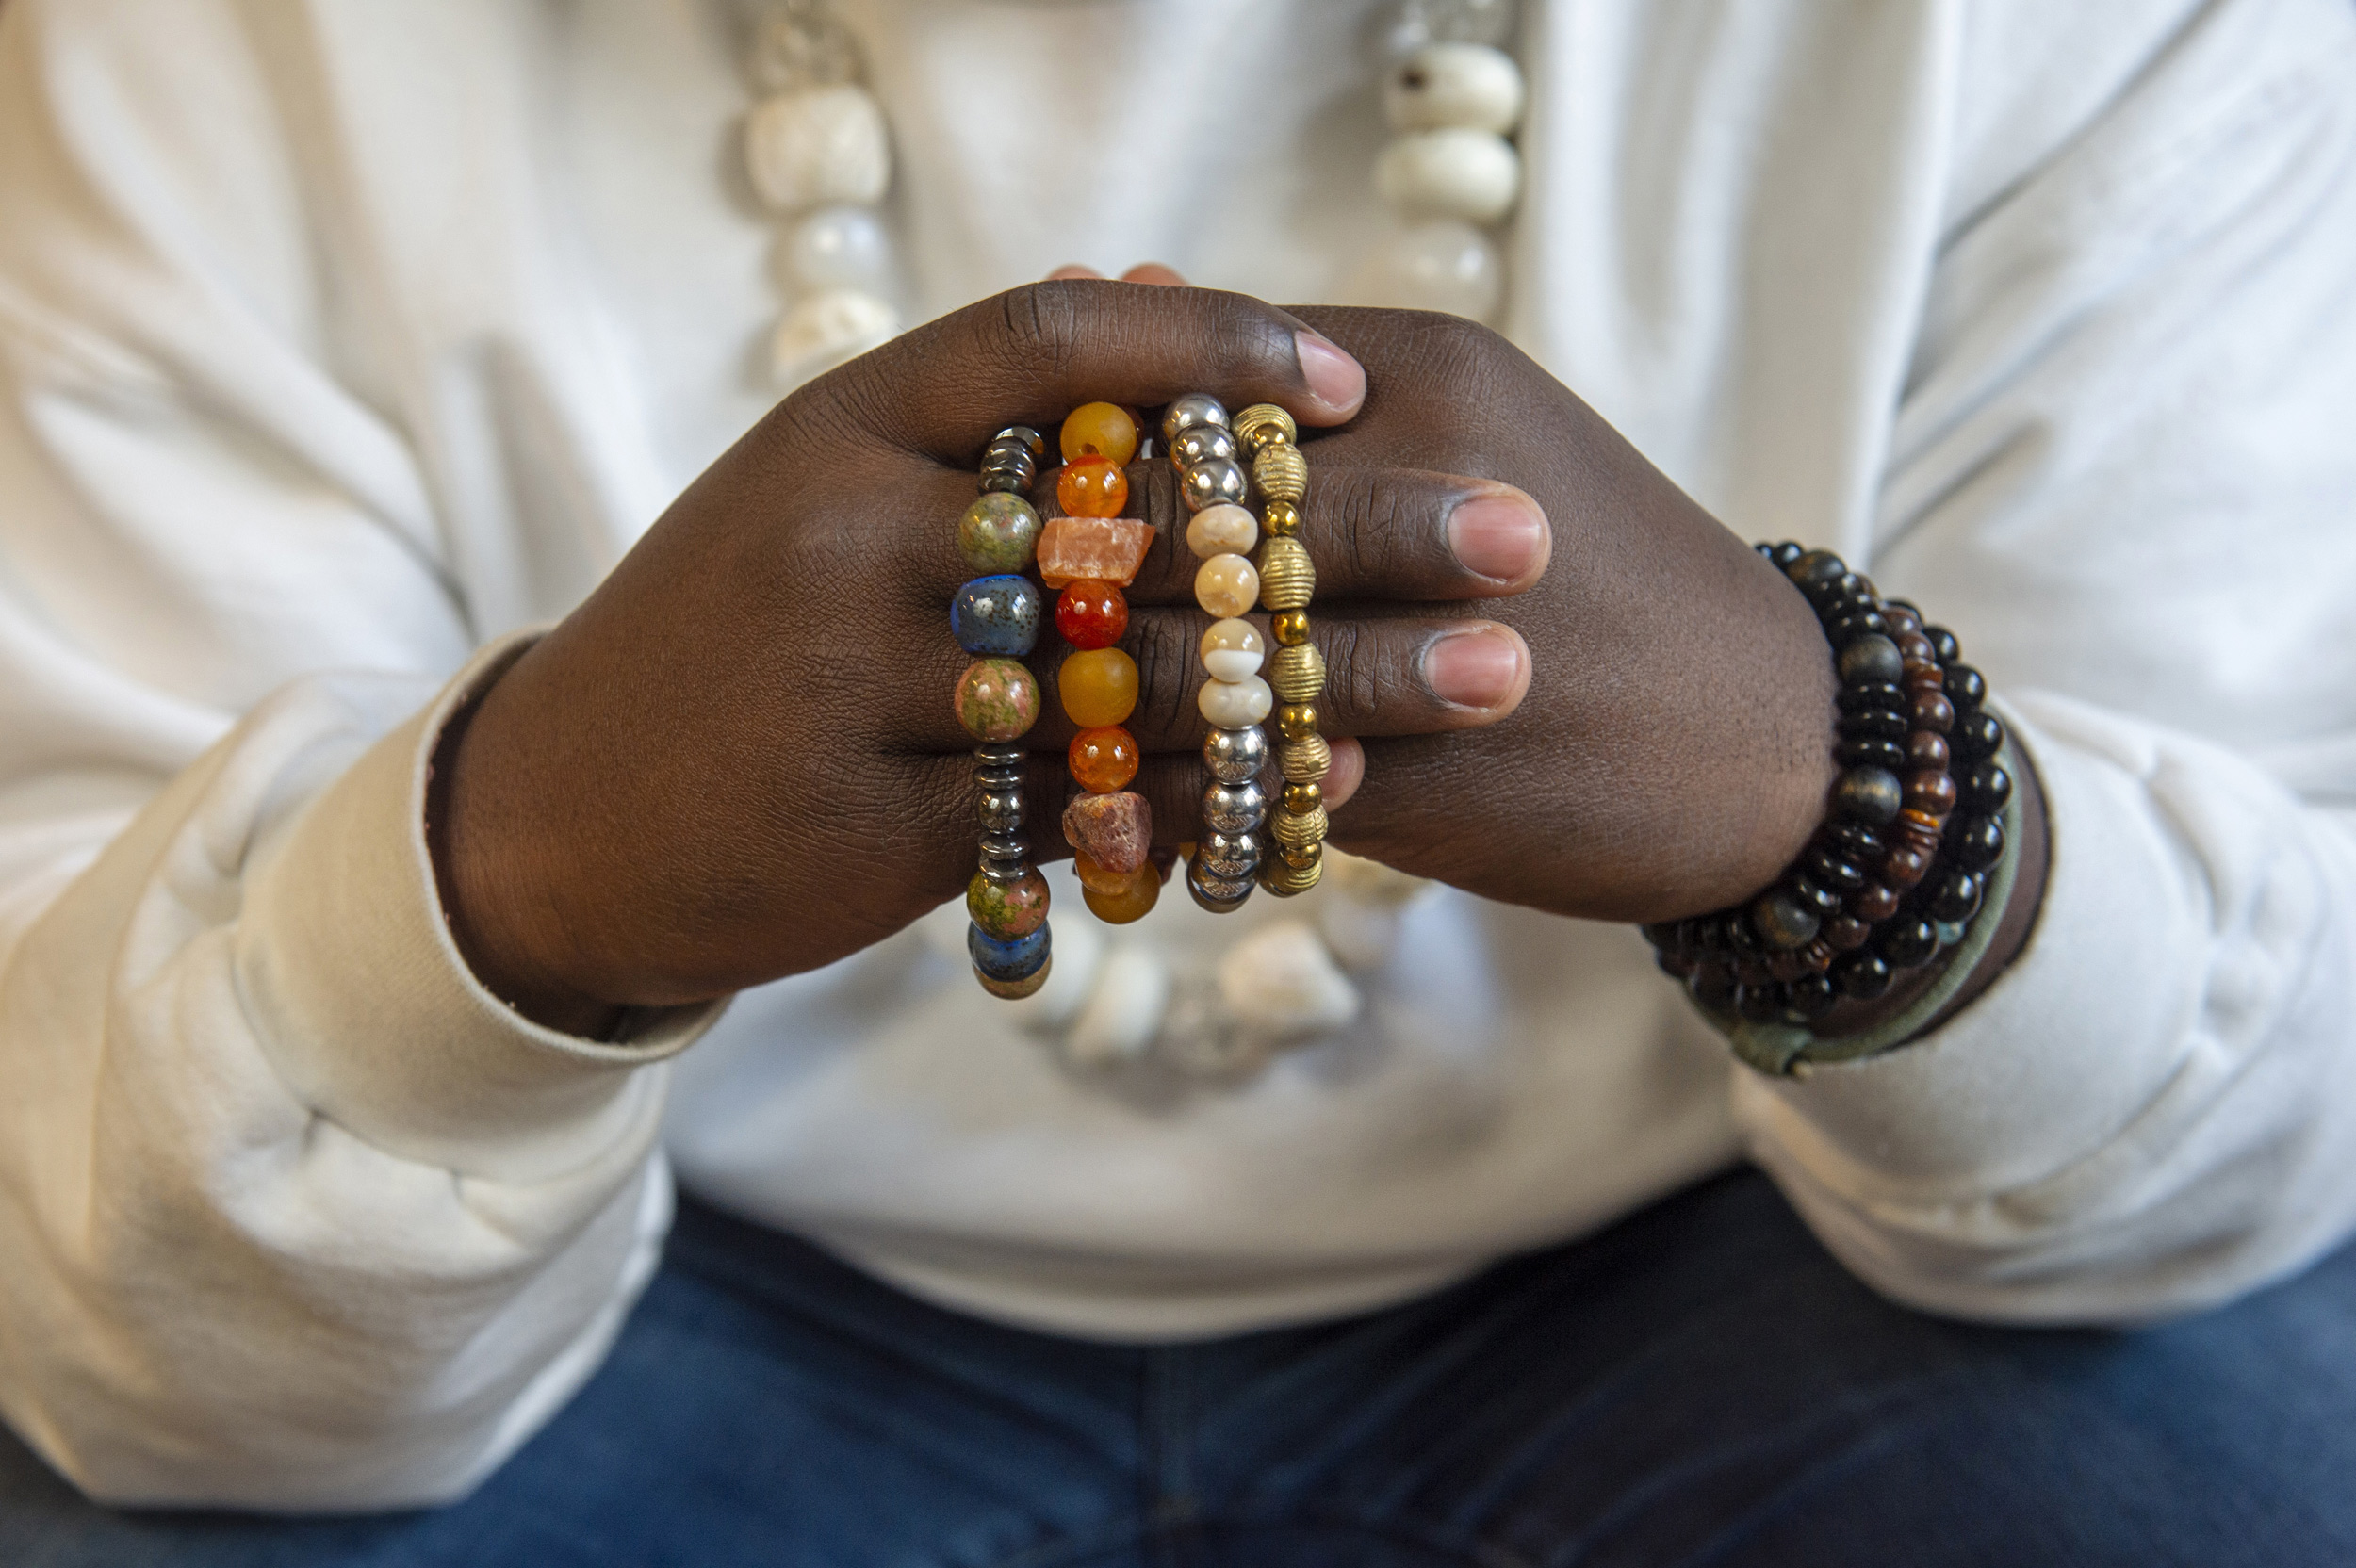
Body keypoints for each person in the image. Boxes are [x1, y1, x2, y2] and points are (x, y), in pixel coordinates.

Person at [0, 0, 2352, 1562]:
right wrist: (505, 876)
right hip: (642, 1298)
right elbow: (105, 1322)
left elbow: (2256, 1131)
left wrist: (1839, 794)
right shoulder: (197, 52)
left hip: (1726, 1268)